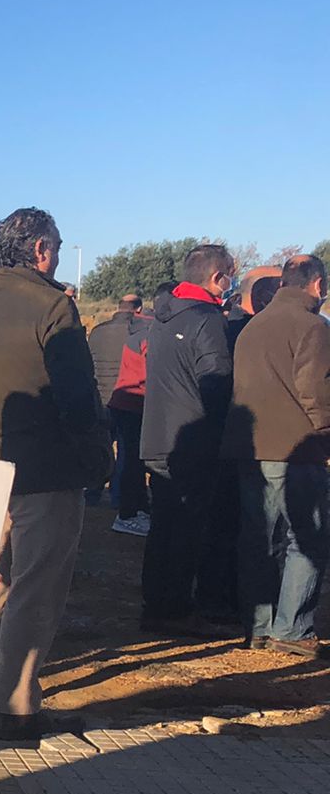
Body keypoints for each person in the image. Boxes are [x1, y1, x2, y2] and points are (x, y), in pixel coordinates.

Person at [0, 207, 103, 743]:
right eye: (56, 245)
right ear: (39, 250)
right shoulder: (53, 306)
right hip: (47, 470)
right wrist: (96, 458)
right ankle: (17, 707)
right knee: (36, 588)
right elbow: (77, 396)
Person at [222, 254, 330, 657]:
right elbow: (316, 392)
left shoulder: (254, 326)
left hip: (251, 449)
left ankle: (259, 626)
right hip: (297, 449)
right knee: (307, 540)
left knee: (259, 538)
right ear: (317, 284)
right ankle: (293, 628)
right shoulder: (312, 328)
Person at [138, 243, 240, 636]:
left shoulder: (162, 316)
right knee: (187, 530)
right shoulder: (207, 319)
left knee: (163, 526)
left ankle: (158, 603)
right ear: (218, 278)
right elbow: (215, 381)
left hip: (160, 435)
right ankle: (178, 608)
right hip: (195, 441)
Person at [86, 292, 148, 535]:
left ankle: (91, 492)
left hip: (101, 396)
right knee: (125, 451)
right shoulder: (137, 334)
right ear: (138, 309)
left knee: (100, 446)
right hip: (126, 400)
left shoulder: (99, 331)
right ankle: (118, 497)